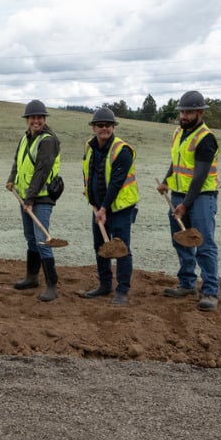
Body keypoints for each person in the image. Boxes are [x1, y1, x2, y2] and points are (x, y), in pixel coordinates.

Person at [157, 90, 220, 311]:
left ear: (200, 113)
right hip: (178, 194)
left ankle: (210, 291)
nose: (184, 116)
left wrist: (186, 204)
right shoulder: (178, 132)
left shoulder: (206, 139)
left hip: (201, 197)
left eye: (189, 112)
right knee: (180, 240)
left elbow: (200, 176)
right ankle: (187, 284)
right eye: (182, 111)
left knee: (203, 243)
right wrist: (166, 180)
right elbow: (177, 161)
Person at [80, 107, 139, 305]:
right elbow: (88, 171)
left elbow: (116, 182)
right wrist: (90, 196)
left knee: (121, 248)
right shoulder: (89, 147)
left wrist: (105, 208)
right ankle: (105, 285)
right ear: (94, 127)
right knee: (101, 246)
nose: (104, 128)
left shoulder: (122, 151)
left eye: (108, 125)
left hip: (120, 208)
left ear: (113, 127)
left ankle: (122, 290)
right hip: (98, 207)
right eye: (100, 125)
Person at [5, 100, 62, 302]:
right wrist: (12, 179)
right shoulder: (25, 138)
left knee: (41, 238)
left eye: (39, 117)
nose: (35, 121)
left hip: (42, 198)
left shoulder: (47, 140)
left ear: (44, 119)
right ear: (27, 120)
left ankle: (52, 285)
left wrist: (29, 198)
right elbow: (17, 162)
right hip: (26, 197)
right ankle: (31, 277)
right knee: (30, 237)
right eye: (32, 117)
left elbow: (42, 170)